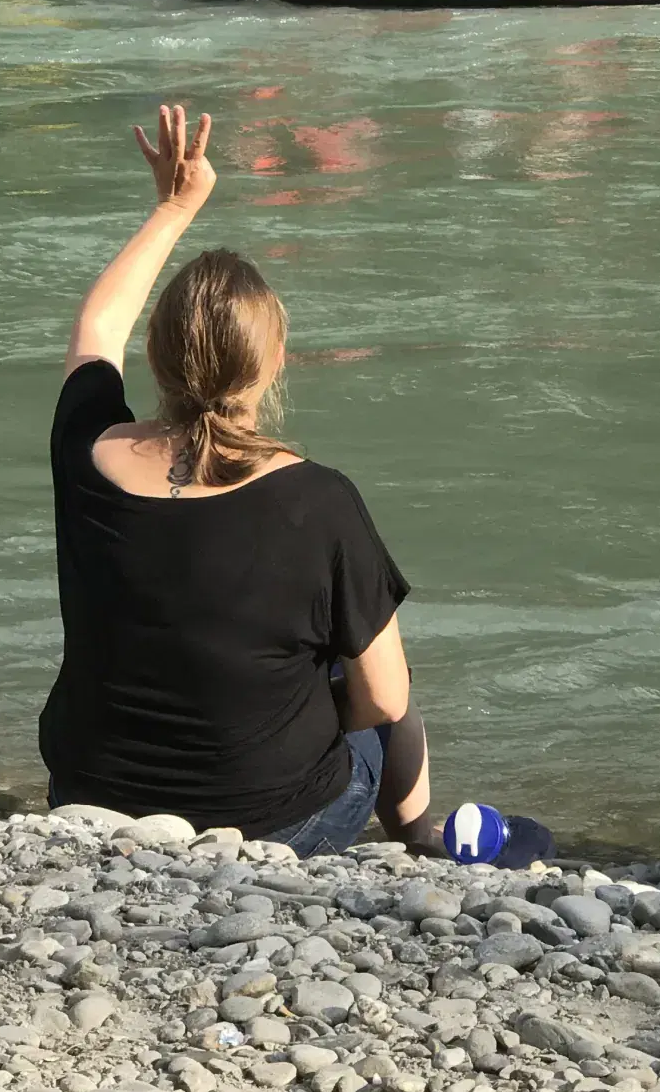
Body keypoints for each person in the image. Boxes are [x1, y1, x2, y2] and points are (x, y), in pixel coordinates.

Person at [43, 103, 553, 864]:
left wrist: (175, 207)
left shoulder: (84, 453)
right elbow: (384, 700)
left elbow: (95, 331)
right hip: (274, 822)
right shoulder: (318, 500)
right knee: (373, 663)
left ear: (153, 356)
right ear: (276, 363)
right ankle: (416, 836)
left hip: (86, 797)